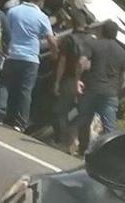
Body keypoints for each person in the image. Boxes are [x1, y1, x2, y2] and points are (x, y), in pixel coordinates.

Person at [3, 0, 58, 132]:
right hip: (30, 58)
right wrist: (54, 54)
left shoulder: (13, 11)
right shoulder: (42, 17)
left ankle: (5, 116)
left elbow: (5, 31)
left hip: (12, 54)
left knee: (9, 86)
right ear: (41, 2)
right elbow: (51, 39)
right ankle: (20, 122)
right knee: (25, 91)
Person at [76, 20, 125, 155]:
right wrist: (116, 92)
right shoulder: (122, 53)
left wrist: (77, 79)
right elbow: (121, 78)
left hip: (92, 88)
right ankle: (108, 155)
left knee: (84, 120)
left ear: (102, 31)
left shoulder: (93, 44)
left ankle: (83, 149)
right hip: (110, 92)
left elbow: (82, 62)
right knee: (109, 127)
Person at [52, 12, 92, 153]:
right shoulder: (92, 41)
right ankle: (80, 145)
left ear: (72, 24)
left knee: (60, 111)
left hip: (69, 80)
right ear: (85, 24)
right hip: (86, 83)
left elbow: (62, 62)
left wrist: (57, 82)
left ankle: (63, 141)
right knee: (82, 113)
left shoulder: (69, 40)